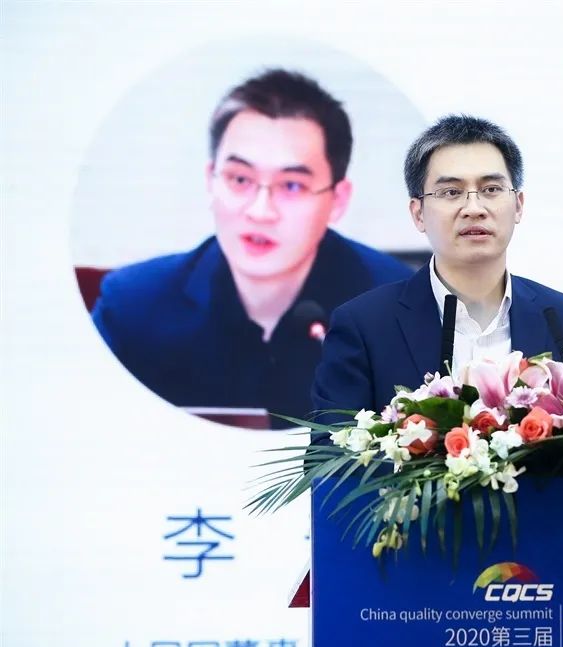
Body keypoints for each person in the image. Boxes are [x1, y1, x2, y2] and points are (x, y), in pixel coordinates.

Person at [90, 69, 414, 428]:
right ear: (211, 180)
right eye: (240, 179)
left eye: (291, 185)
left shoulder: (397, 310)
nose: (260, 212)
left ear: (337, 200)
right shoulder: (133, 307)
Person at [312, 115, 563, 418]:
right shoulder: (364, 326)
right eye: (451, 192)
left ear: (518, 205)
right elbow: (330, 447)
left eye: (491, 189)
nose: (474, 209)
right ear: (418, 213)